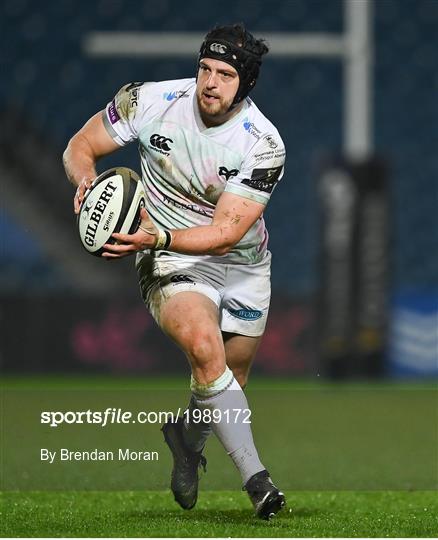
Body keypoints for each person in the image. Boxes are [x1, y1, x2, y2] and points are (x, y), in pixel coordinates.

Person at [63, 23, 286, 519]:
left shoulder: (263, 145)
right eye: (205, 68)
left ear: (245, 84)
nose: (210, 82)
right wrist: (85, 181)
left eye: (225, 75)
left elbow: (227, 232)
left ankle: (187, 439)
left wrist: (157, 236)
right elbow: (81, 144)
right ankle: (258, 482)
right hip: (168, 256)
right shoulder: (148, 100)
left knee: (232, 376)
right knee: (206, 351)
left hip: (242, 262)